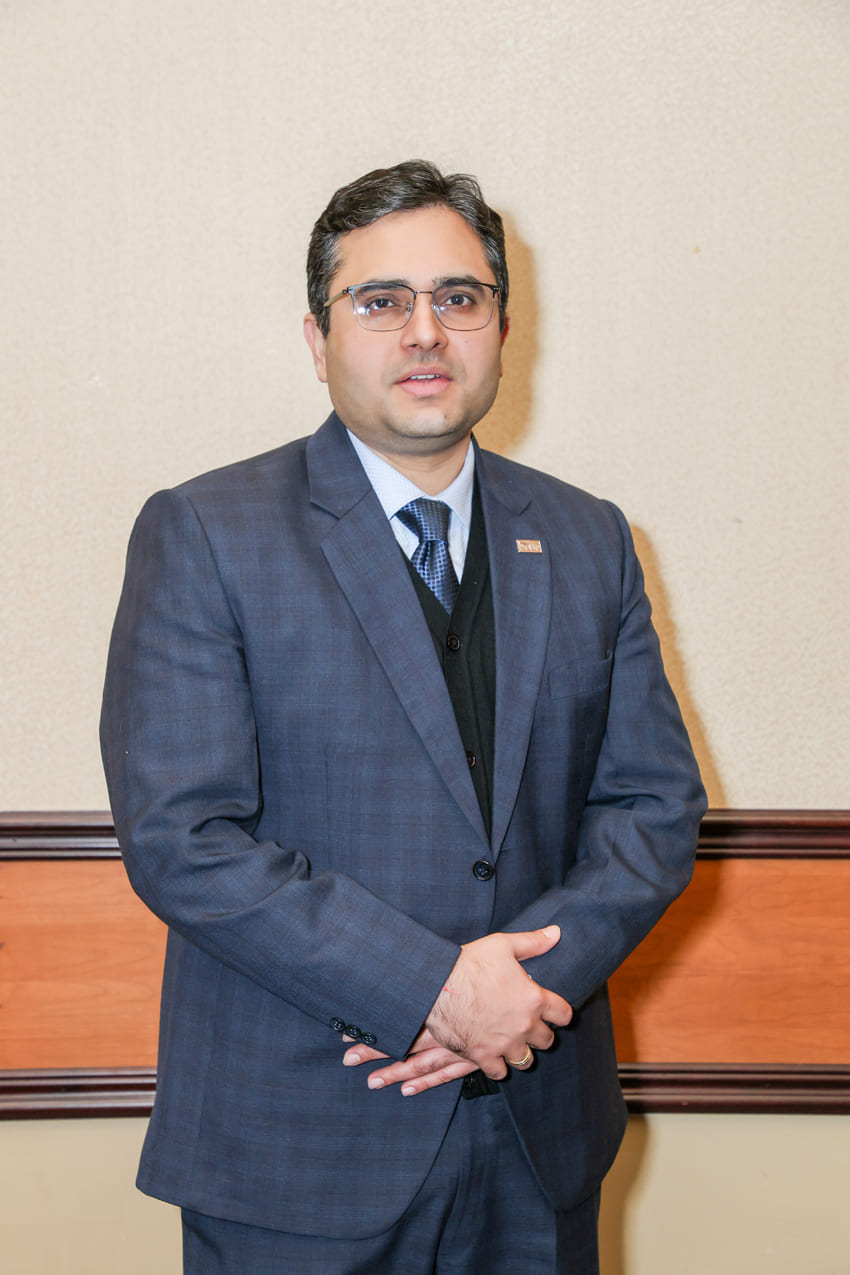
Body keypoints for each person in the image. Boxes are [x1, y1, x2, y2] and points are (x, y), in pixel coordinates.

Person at [100, 159, 706, 1274]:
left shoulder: (590, 538)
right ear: (317, 336)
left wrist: (520, 991)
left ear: (502, 329)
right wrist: (432, 988)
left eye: (458, 297)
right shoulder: (207, 532)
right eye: (380, 301)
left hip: (537, 1133)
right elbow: (182, 838)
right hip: (297, 1150)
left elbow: (652, 809)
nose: (425, 331)